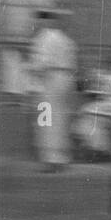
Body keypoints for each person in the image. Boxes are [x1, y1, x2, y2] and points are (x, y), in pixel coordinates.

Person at [28, 11, 79, 172]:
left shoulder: (44, 36)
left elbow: (40, 63)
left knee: (47, 118)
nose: (36, 24)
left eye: (38, 21)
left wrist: (29, 71)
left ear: (45, 21)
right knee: (60, 119)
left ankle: (51, 159)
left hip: (50, 79)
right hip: (65, 78)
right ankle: (61, 158)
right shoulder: (65, 38)